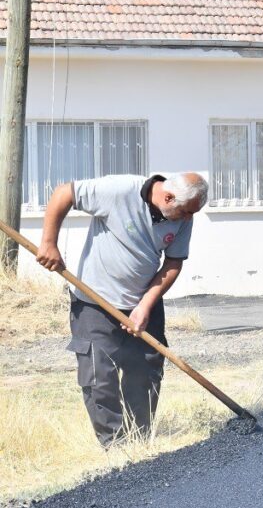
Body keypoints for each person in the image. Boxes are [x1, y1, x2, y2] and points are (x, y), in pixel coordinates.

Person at [36, 172, 208, 447]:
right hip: (95, 301)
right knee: (98, 373)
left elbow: (173, 263)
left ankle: (139, 439)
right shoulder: (120, 190)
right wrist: (49, 242)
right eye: (187, 212)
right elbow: (64, 193)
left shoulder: (183, 216)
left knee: (146, 371)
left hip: (143, 304)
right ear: (168, 197)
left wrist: (144, 305)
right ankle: (115, 446)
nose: (188, 219)